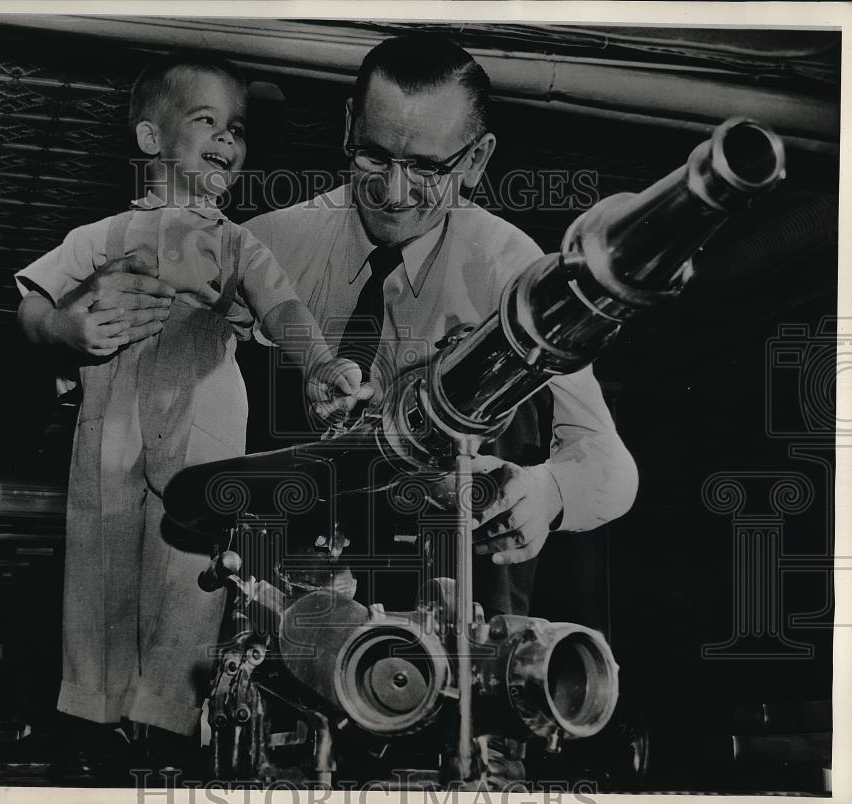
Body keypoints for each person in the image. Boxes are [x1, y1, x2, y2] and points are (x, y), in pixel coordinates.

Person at [14, 53, 358, 780]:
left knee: (193, 574)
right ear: (150, 139)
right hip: (108, 427)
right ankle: (90, 716)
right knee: (97, 567)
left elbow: (285, 308)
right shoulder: (103, 235)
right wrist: (66, 330)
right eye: (208, 120)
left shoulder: (235, 242)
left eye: (238, 128)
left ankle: (168, 722)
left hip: (202, 429)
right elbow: (32, 304)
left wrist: (323, 363)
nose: (229, 139)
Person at [241, 35, 639, 616]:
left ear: (476, 160)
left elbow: (610, 462)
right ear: (348, 124)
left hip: (446, 594)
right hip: (286, 587)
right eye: (373, 155)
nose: (393, 191)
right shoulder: (269, 246)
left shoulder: (510, 268)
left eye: (427, 167)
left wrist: (551, 492)